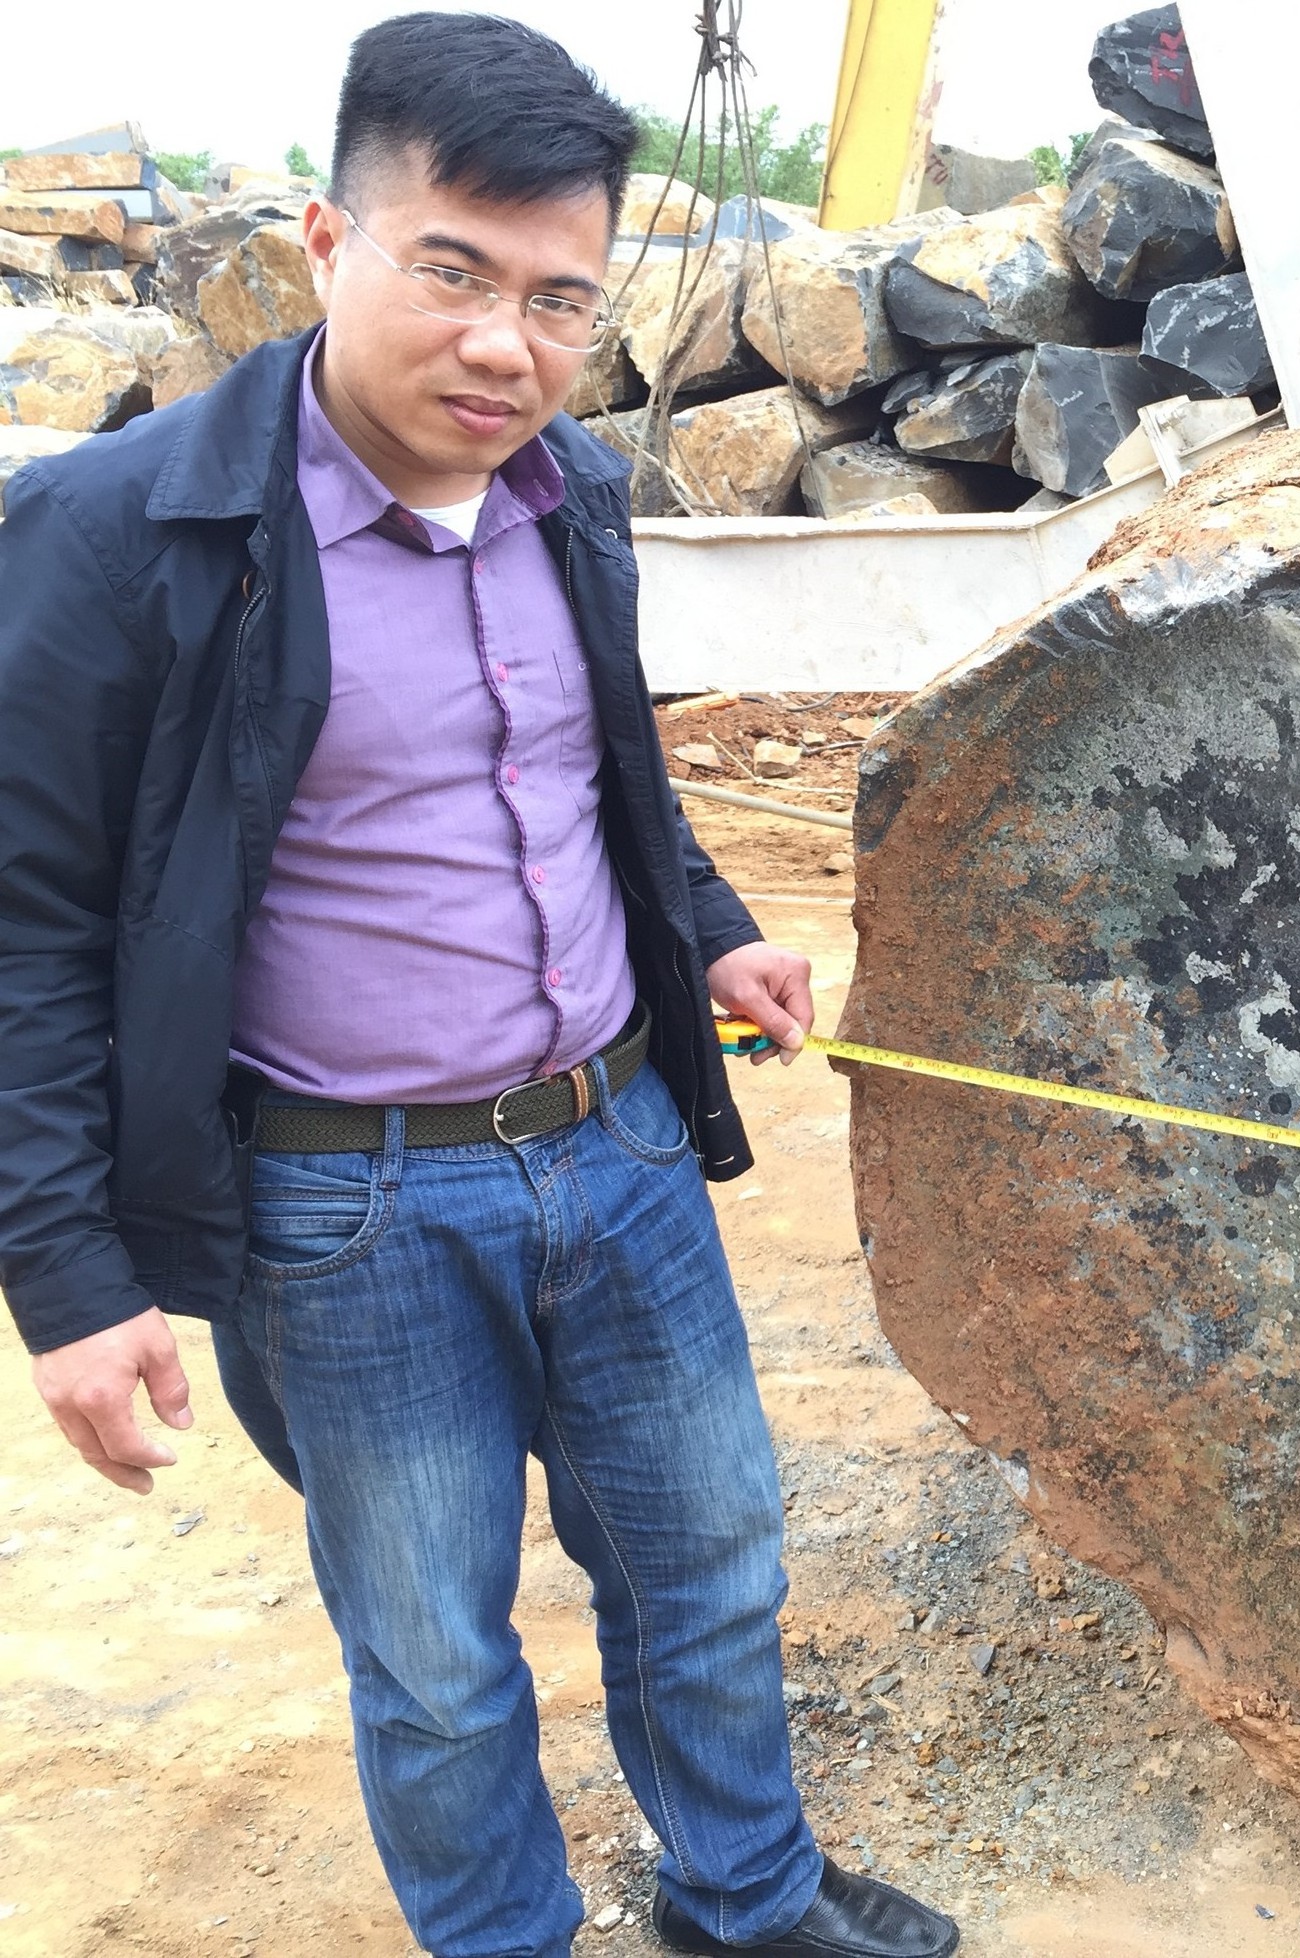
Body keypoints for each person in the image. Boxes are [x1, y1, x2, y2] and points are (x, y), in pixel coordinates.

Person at [0, 14, 957, 1956]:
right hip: (342, 1208)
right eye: (452, 271)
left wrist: (706, 932)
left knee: (709, 1562)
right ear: (325, 239)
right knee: (434, 1652)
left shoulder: (568, 496)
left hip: (618, 1152)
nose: (506, 347)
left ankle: (746, 1902)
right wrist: (73, 1281)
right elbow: (25, 924)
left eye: (557, 297)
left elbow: (604, 778)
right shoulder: (124, 538)